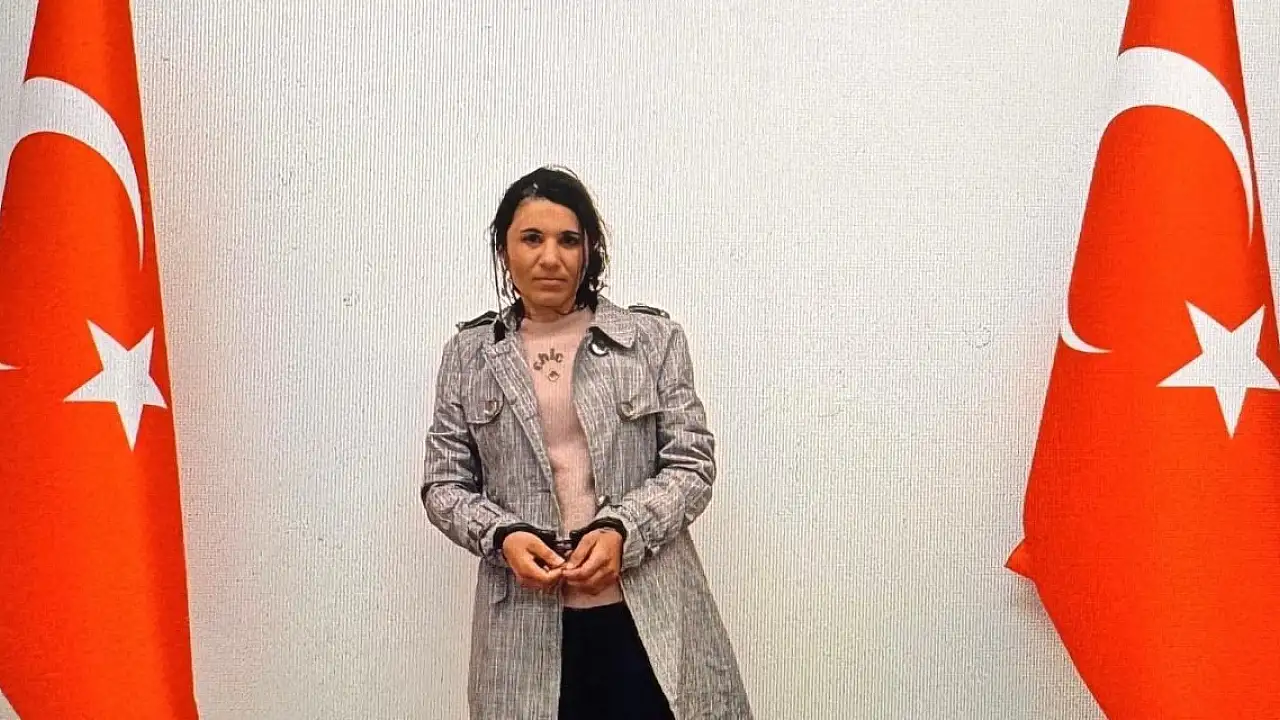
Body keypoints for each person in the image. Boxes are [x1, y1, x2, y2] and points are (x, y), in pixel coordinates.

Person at [420, 166, 753, 719]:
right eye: (532, 238)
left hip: (650, 615)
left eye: (568, 240)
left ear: (589, 250)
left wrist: (624, 529)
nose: (550, 257)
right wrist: (502, 535)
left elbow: (691, 463)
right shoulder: (469, 356)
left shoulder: (651, 341)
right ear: (504, 251)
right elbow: (443, 483)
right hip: (523, 631)